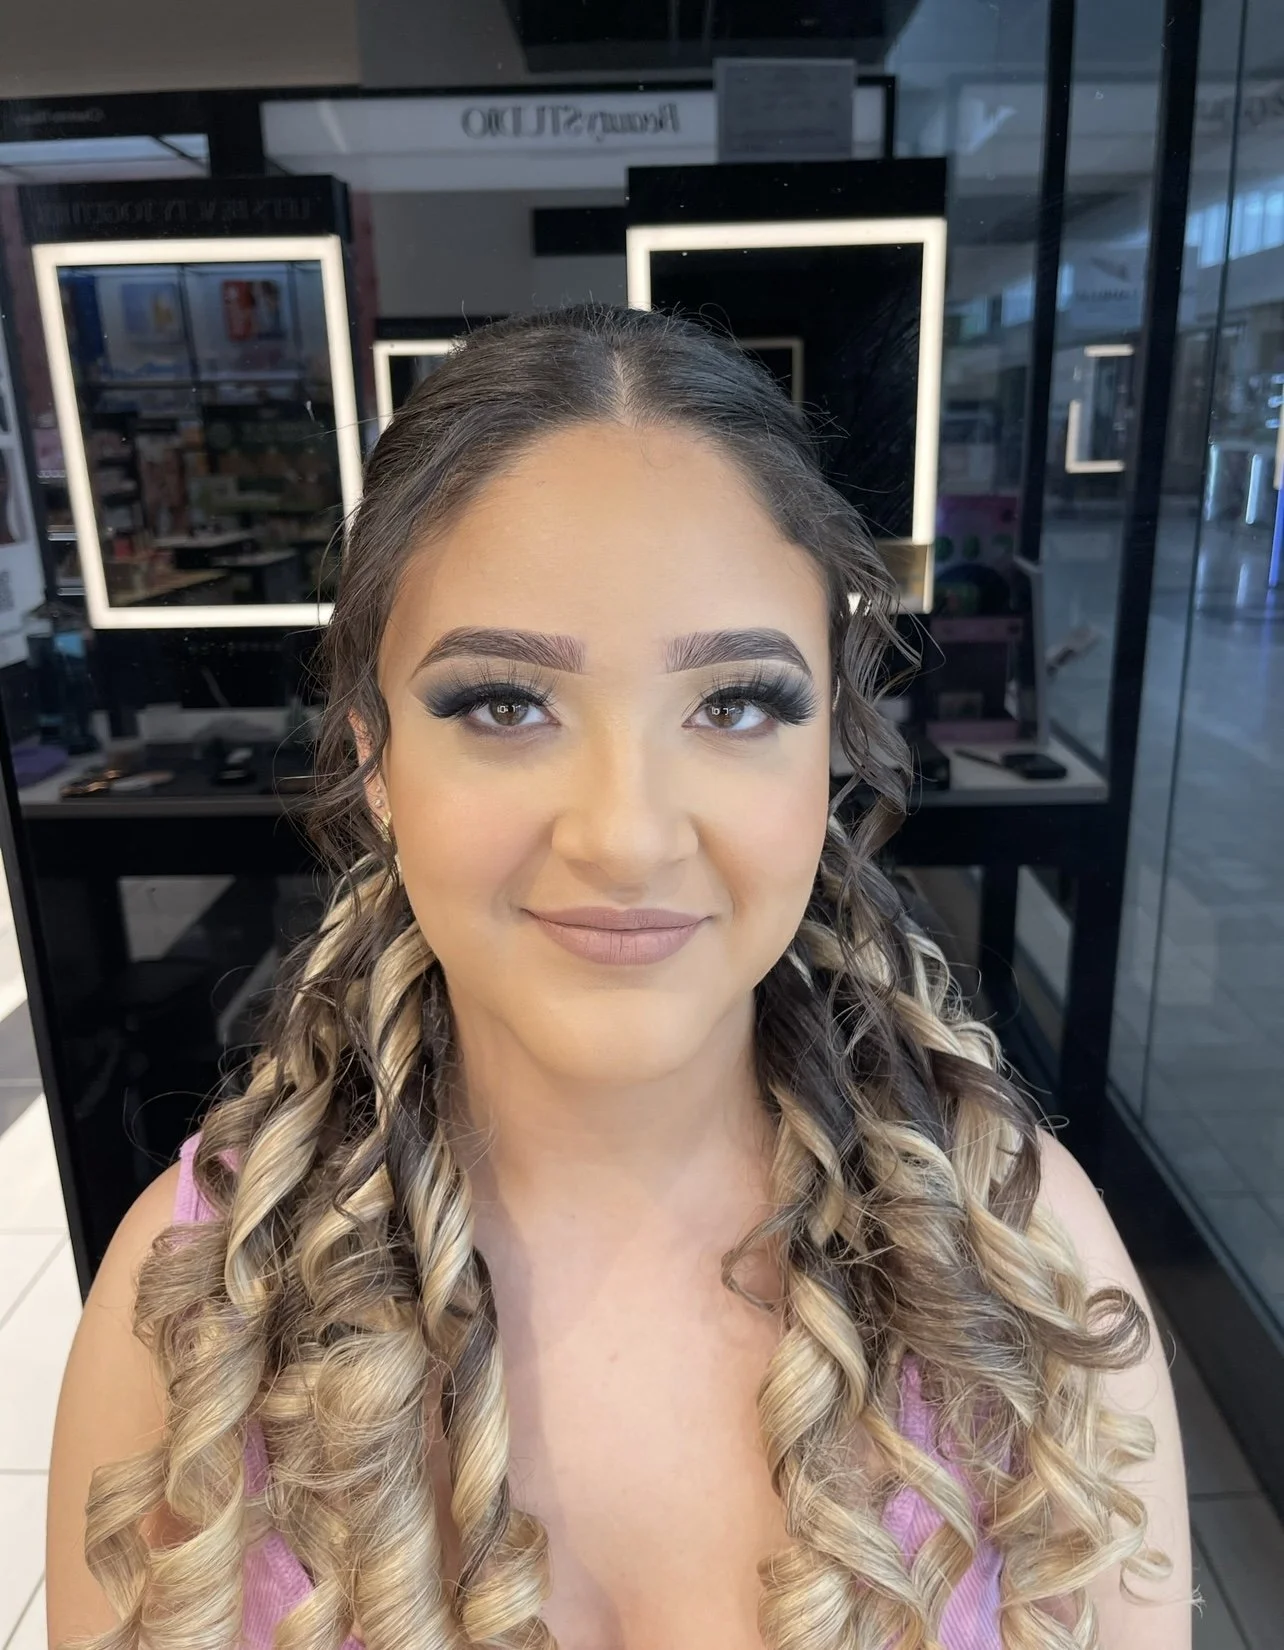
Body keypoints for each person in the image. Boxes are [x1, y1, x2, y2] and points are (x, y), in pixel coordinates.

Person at [46, 303, 1191, 1650]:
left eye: (736, 702)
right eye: (503, 702)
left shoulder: (1021, 1256)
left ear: (828, 743)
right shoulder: (188, 1309)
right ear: (373, 757)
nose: (627, 834)